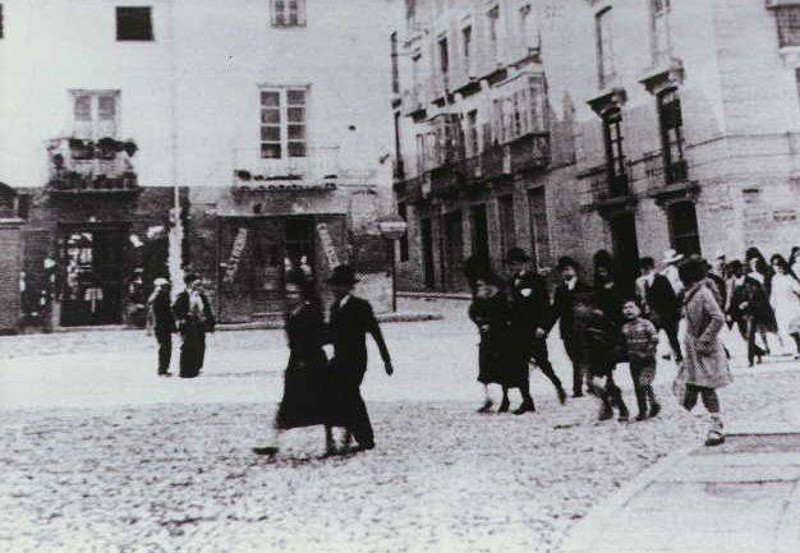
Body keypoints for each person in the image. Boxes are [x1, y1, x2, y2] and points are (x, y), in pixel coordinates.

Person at [253, 270, 336, 457]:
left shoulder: (309, 310)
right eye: (287, 292)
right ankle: (274, 441)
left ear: (302, 292)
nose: (290, 296)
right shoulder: (292, 312)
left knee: (324, 403)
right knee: (287, 404)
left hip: (313, 362)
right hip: (296, 362)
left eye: (294, 292)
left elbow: (319, 336)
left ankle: (331, 440)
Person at [326, 264, 393, 452]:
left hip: (356, 361)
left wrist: (386, 360)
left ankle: (366, 438)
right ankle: (352, 433)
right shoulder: (334, 308)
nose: (334, 289)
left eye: (338, 285)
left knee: (351, 395)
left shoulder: (360, 307)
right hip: (339, 360)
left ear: (348, 287)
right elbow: (331, 334)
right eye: (333, 285)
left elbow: (376, 333)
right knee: (343, 396)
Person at [677, 257, 732, 447]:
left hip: (704, 348)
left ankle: (716, 426)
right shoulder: (691, 293)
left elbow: (718, 318)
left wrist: (704, 340)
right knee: (692, 386)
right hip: (694, 348)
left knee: (706, 388)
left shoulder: (702, 293)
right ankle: (690, 421)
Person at [506, 248, 567, 406]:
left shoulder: (536, 280)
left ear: (524, 263)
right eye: (512, 264)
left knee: (542, 362)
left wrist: (542, 327)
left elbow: (544, 305)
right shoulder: (511, 282)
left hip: (534, 329)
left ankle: (558, 385)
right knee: (520, 365)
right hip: (517, 330)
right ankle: (527, 401)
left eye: (518, 263)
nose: (515, 266)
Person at [470, 273, 532, 413]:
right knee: (492, 372)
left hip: (507, 340)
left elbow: (508, 316)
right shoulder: (481, 300)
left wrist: (491, 324)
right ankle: (496, 400)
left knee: (512, 371)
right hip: (489, 341)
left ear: (490, 285)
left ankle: (525, 400)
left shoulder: (503, 298)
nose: (479, 288)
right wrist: (482, 322)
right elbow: (473, 313)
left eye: (481, 285)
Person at [573, 290, 629, 422]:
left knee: (598, 383)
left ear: (589, 306)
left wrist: (613, 350)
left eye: (580, 305)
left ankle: (619, 407)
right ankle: (609, 406)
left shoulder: (599, 318)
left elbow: (612, 334)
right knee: (595, 385)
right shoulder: (579, 320)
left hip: (604, 356)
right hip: (591, 357)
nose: (576, 308)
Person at [549, 256, 595, 398]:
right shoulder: (560, 289)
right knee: (573, 356)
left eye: (568, 269)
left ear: (575, 270)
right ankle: (586, 383)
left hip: (583, 327)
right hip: (567, 328)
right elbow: (555, 311)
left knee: (581, 357)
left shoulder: (584, 286)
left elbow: (591, 307)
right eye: (563, 270)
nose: (566, 272)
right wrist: (545, 328)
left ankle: (579, 387)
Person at [621, 299, 661, 421]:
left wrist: (648, 351)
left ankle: (653, 403)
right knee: (638, 386)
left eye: (631, 307)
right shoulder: (625, 327)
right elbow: (623, 343)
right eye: (625, 308)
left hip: (648, 359)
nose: (628, 310)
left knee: (644, 382)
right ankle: (643, 410)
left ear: (638, 309)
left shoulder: (646, 324)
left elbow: (654, 338)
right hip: (634, 360)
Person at [172, 274, 215, 378]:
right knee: (187, 346)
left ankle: (196, 368)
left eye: (199, 284)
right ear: (189, 284)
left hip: (200, 324)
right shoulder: (183, 295)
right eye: (196, 284)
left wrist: (211, 323)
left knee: (200, 345)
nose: (198, 286)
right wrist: (182, 318)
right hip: (188, 324)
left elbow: (207, 310)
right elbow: (175, 309)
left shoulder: (201, 296)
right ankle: (185, 370)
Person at [647, 257, 684, 364]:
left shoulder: (663, 276)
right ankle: (673, 354)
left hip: (665, 311)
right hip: (662, 311)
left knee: (670, 334)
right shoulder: (656, 277)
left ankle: (676, 354)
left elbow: (671, 294)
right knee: (669, 334)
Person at [769, 254, 800, 357]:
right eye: (775, 265)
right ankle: (793, 349)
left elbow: (798, 289)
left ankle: (798, 349)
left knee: (794, 328)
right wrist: (771, 306)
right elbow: (774, 293)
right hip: (781, 307)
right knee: (785, 329)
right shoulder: (774, 279)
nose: (778, 267)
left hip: (792, 306)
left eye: (779, 264)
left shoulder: (789, 277)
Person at [147, 277, 175, 377]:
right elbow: (166, 313)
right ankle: (162, 369)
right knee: (165, 347)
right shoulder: (160, 297)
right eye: (165, 286)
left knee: (165, 347)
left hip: (160, 325)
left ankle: (163, 369)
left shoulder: (155, 296)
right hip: (162, 325)